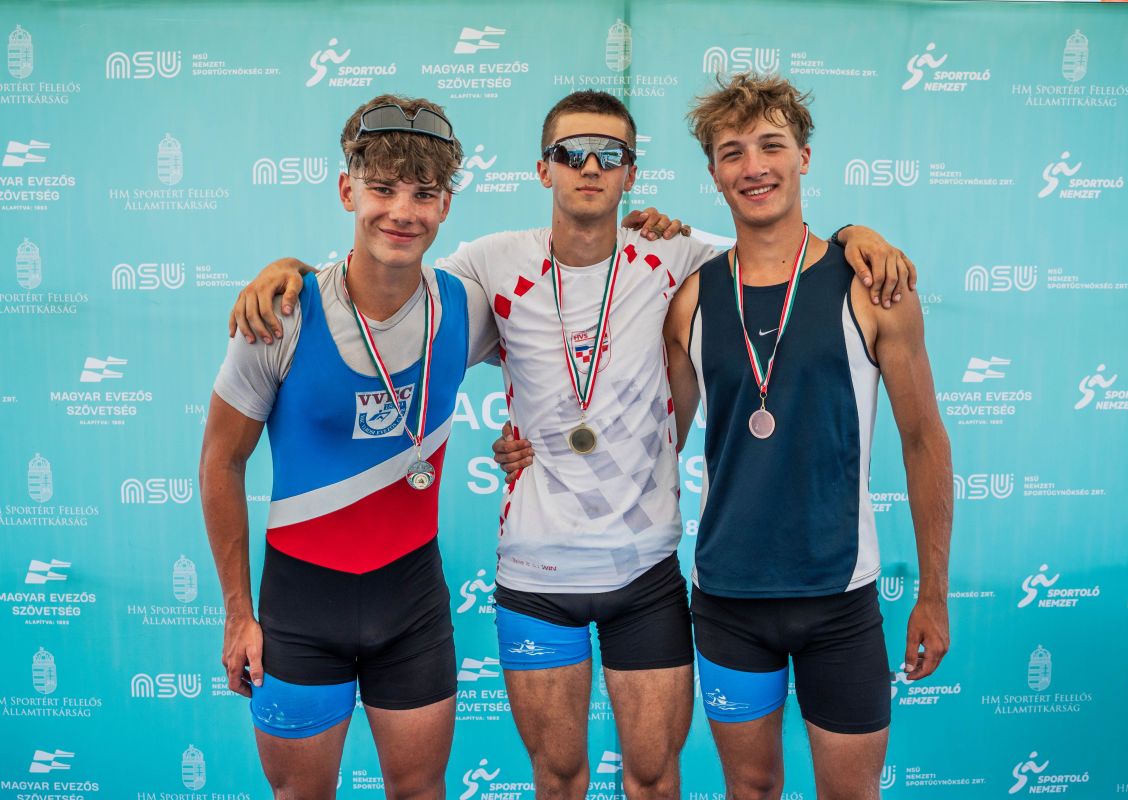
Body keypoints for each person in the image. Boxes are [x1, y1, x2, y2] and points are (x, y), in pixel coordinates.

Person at [230, 90, 915, 800]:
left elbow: (782, 249)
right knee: (557, 781)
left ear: (631, 172)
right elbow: (386, 279)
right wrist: (292, 273)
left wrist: (856, 236)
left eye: (609, 155)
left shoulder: (678, 258)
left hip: (645, 570)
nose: (590, 166)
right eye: (571, 152)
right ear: (542, 168)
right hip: (537, 572)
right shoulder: (490, 265)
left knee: (654, 781)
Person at [660, 73, 953, 799]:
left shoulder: (872, 287)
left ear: (804, 157)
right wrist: (540, 447)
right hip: (728, 599)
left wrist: (934, 593)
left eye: (771, 145)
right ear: (713, 173)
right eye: (732, 152)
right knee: (750, 791)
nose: (753, 166)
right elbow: (655, 442)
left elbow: (924, 441)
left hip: (839, 599)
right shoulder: (692, 298)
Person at [199, 94, 500, 799]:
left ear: (445, 206)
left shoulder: (468, 306)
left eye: (423, 193)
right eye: (383, 189)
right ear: (347, 191)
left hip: (412, 607)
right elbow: (221, 461)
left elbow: (566, 332)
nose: (402, 211)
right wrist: (238, 613)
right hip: (300, 609)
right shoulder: (280, 314)